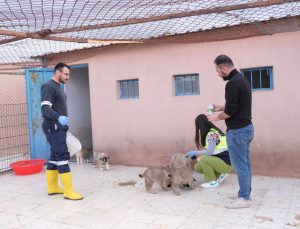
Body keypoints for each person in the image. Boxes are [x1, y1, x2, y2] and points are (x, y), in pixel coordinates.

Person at [208, 54, 254, 209]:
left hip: (238, 132)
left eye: (218, 70)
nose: (217, 74)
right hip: (246, 128)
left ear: (224, 68)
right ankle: (245, 192)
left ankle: (244, 198)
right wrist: (222, 107)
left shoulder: (232, 84)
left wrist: (216, 117)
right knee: (245, 164)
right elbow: (236, 105)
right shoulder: (241, 78)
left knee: (240, 166)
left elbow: (231, 112)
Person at [41, 62, 83, 200]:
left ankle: (52, 187)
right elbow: (45, 109)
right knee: (62, 156)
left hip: (58, 127)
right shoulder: (48, 87)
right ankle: (68, 191)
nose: (68, 77)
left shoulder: (58, 87)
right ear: (58, 72)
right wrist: (58, 118)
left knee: (54, 157)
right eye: (66, 74)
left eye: (69, 74)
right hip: (53, 126)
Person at [186, 114, 232, 188]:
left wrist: (195, 152)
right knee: (198, 167)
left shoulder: (212, 134)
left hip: (227, 164)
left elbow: (209, 152)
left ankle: (212, 182)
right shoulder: (211, 133)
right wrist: (197, 156)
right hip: (221, 161)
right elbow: (213, 152)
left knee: (203, 159)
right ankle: (219, 174)